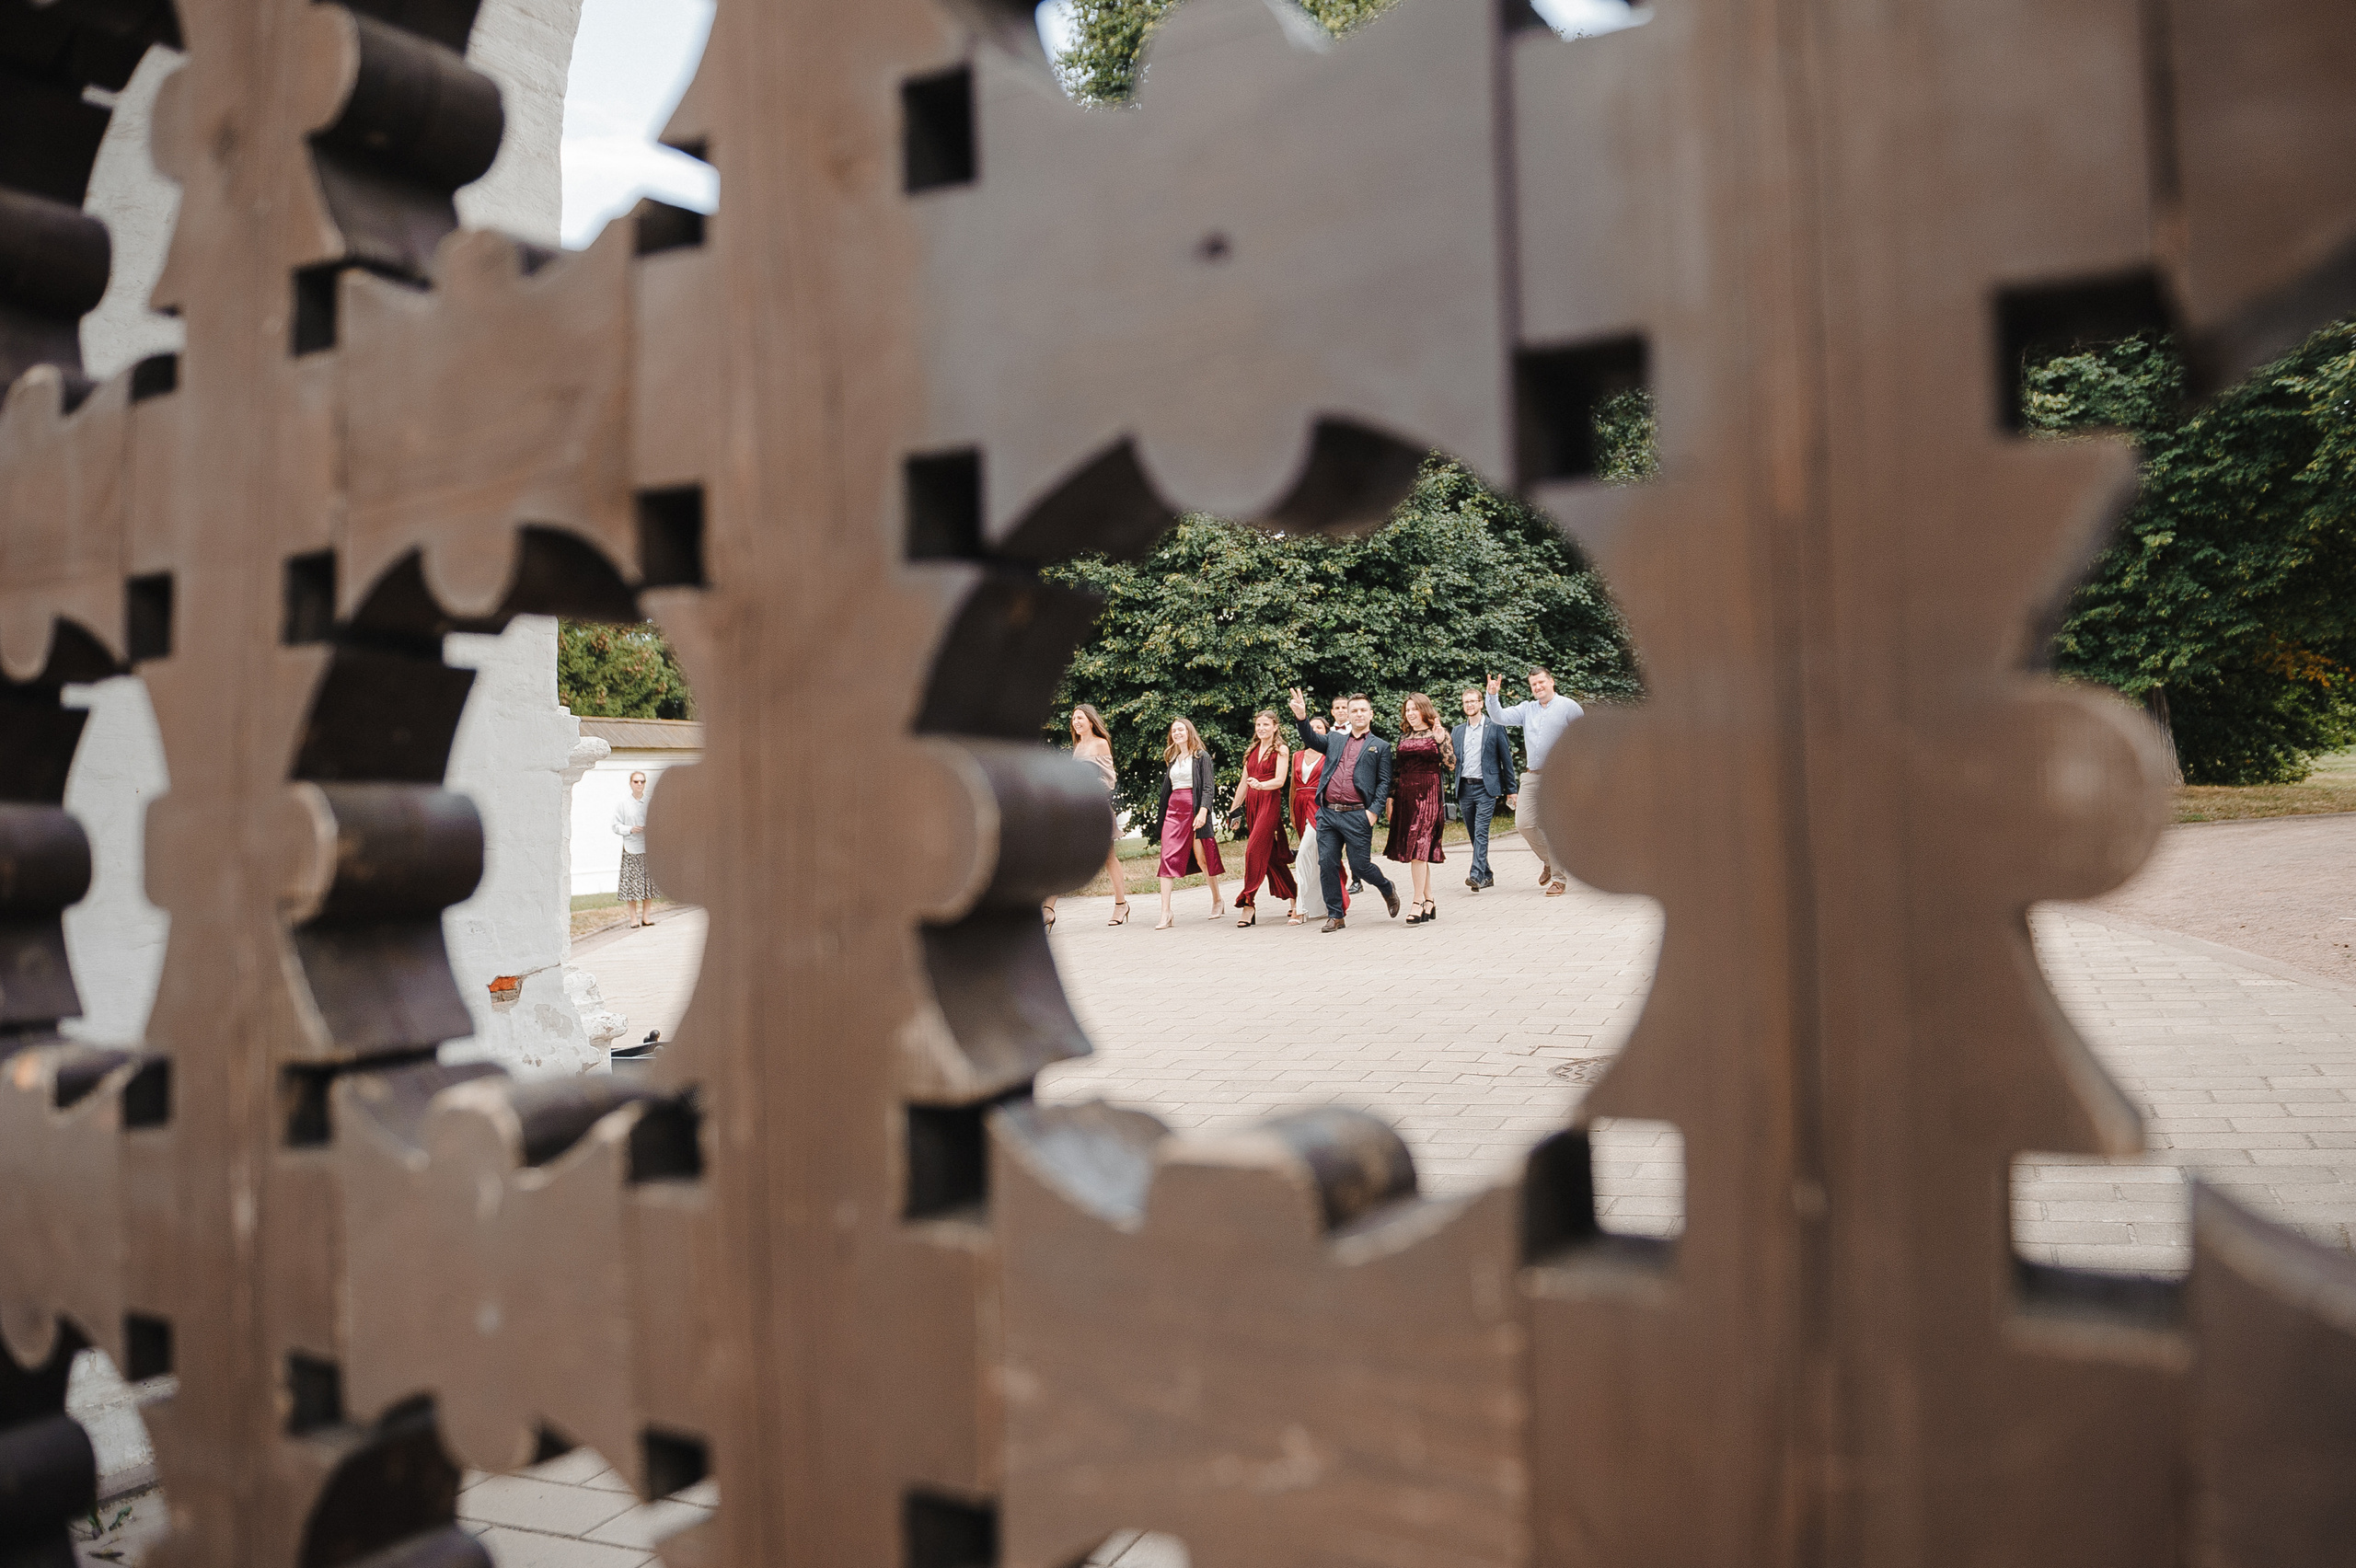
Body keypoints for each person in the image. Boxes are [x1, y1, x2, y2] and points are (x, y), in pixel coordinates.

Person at [1287, 687, 1401, 932]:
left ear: (1371, 714)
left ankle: (1386, 887)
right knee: (1327, 862)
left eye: (1363, 710)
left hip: (1358, 814)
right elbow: (1311, 739)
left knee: (1360, 866)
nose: (1358, 714)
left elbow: (1384, 782)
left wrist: (1373, 811)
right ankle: (1336, 915)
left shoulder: (1380, 746)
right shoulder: (1335, 739)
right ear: (1348, 715)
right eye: (1354, 710)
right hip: (1328, 814)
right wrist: (1301, 717)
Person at [1486, 667, 1585, 895]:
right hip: (1532, 775)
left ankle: (1558, 880)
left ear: (1551, 681)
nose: (1538, 687)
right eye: (1533, 684)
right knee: (1524, 823)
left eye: (1541, 682)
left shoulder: (1568, 707)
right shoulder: (1527, 709)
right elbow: (1499, 717)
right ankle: (1549, 861)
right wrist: (1492, 696)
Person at [1044, 704, 1128, 929]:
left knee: (1108, 857)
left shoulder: (1100, 743)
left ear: (1091, 721)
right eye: (1074, 719)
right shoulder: (1078, 746)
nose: (1076, 722)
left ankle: (1121, 904)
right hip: (1079, 808)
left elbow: (1109, 780)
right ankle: (1048, 908)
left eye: (1080, 718)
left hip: (1097, 807)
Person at [1384, 694, 1454, 924]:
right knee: (1417, 851)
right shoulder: (1405, 736)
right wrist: (1391, 798)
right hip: (1406, 796)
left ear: (1424, 710)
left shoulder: (1437, 733)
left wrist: (1441, 741)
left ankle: (1417, 902)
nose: (1411, 713)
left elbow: (1451, 764)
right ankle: (1430, 900)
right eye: (1407, 710)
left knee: (1419, 846)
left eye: (1415, 709)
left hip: (1429, 793)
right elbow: (1397, 769)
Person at [1152, 717, 1227, 929]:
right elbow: (1168, 789)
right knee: (1166, 858)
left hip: (1194, 810)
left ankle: (1217, 899)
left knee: (1202, 859)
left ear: (1189, 732)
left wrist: (1203, 811)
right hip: (1173, 812)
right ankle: (1166, 912)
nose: (1177, 733)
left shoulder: (1201, 756)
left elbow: (1208, 787)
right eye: (1174, 730)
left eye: (1181, 730)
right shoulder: (1172, 758)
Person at [1227, 709, 1299, 926]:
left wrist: (1261, 785)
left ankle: (1248, 902)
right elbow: (1243, 783)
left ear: (1275, 727)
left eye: (1266, 724)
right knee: (1271, 857)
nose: (1261, 728)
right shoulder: (1252, 750)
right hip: (1252, 805)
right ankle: (1296, 895)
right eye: (1258, 725)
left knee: (1253, 850)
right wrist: (1234, 811)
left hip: (1269, 802)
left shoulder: (1281, 749)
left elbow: (1280, 780)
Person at [1451, 685, 1517, 891]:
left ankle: (1476, 874)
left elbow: (1506, 760)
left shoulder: (1495, 727)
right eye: (1466, 702)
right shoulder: (1457, 731)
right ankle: (1487, 874)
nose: (1469, 705)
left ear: (1481, 703)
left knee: (1481, 832)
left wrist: (1512, 789)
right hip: (1465, 788)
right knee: (1473, 833)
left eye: (1473, 701)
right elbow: (1453, 761)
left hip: (1486, 789)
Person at [1288, 739, 1344, 919]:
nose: (1315, 731)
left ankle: (1300, 909)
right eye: (1312, 728)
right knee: (1315, 856)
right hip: (1300, 806)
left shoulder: (1330, 755)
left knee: (1303, 854)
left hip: (1320, 807)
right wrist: (1292, 811)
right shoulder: (1297, 756)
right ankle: (1322, 904)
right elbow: (1293, 786)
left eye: (1319, 728)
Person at [613, 770, 657, 927]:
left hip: (647, 848)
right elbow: (616, 825)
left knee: (647, 884)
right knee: (631, 885)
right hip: (631, 848)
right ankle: (633, 918)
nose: (639, 784)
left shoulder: (651, 802)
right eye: (636, 781)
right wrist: (630, 829)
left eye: (642, 781)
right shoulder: (623, 804)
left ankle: (646, 917)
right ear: (630, 784)